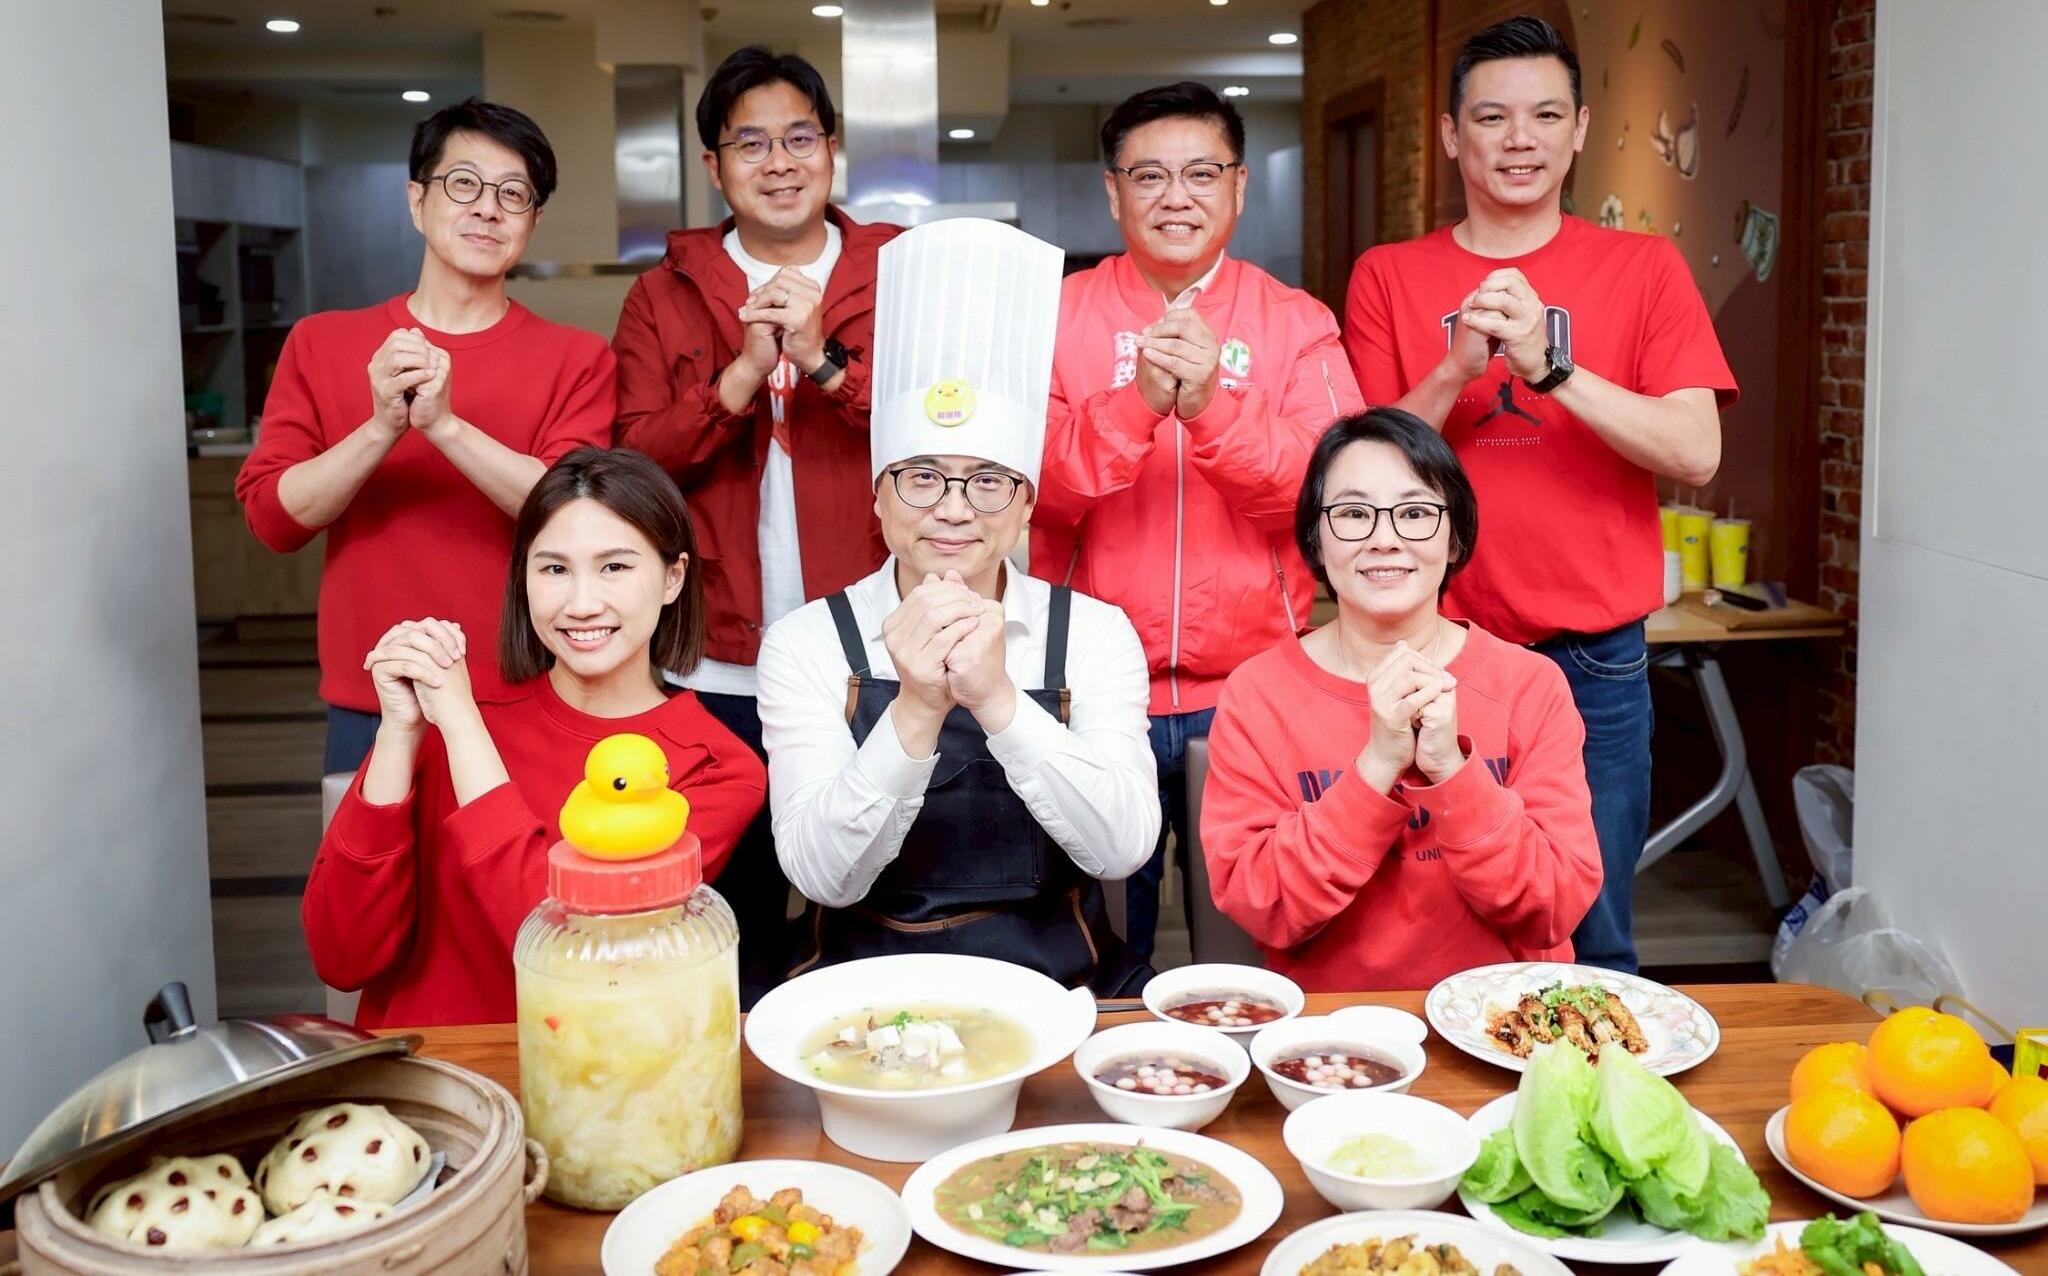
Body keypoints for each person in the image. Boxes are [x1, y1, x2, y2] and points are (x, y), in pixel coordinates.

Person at [1342, 16, 1734, 972]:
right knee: (1423, 930)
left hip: (1592, 660)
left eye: (1546, 115)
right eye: (1492, 117)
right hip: (1428, 655)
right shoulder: (1388, 275)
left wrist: (1553, 369)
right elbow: (1358, 476)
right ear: (1451, 135)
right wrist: (1454, 369)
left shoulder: (1645, 267)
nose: (1519, 139)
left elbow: (1695, 451)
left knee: (1590, 935)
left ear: (1580, 129)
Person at [756, 219, 1159, 993]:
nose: (953, 508)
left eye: (987, 481)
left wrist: (998, 699)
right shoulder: (808, 643)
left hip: (1062, 986)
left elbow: (1122, 850)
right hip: (860, 990)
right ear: (878, 495)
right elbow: (821, 875)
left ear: (1026, 505)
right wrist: (915, 708)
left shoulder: (1092, 635)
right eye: (922, 477)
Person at [1032, 81, 1365, 962]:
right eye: (1149, 175)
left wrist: (1214, 406)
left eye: (1201, 173)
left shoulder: (1297, 323)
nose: (1175, 197)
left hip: (1255, 688)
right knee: (1100, 950)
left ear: (1239, 186)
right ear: (1114, 191)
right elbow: (1029, 491)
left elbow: (1332, 499)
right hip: (1090, 691)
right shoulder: (1055, 318)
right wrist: (1134, 405)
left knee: (1255, 946)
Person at [611, 47, 902, 998]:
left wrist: (823, 364)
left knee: (874, 907)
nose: (779, 163)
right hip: (714, 662)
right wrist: (738, 376)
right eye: (751, 144)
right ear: (714, 166)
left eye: (799, 138)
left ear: (832, 148)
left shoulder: (898, 272)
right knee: (719, 919)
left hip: (871, 651)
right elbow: (633, 466)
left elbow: (941, 435)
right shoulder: (664, 292)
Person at [303, 448, 767, 1027]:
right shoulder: (447, 709)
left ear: (673, 577)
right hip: (419, 1067)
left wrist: (463, 726)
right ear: (523, 579)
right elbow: (341, 954)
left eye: (615, 567)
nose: (582, 604)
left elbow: (562, 949)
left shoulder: (717, 766)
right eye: (553, 570)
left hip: (585, 1070)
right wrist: (400, 732)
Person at [237, 98, 616, 775]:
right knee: (366, 850)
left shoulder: (578, 357)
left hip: (528, 692)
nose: (488, 208)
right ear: (417, 201)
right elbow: (274, 521)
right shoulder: (321, 343)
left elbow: (575, 514)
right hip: (376, 692)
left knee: (524, 853)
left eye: (513, 194)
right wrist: (382, 425)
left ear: (533, 221)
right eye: (463, 184)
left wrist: (444, 425)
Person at [1201, 409, 1601, 989]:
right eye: (1353, 514)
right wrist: (1377, 766)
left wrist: (1451, 771)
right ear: (1315, 538)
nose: (1384, 539)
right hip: (1333, 1024)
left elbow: (1554, 907)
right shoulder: (1258, 694)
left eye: (1415, 513)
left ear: (1455, 536)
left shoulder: (1531, 685)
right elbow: (1264, 905)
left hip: (1505, 1015)